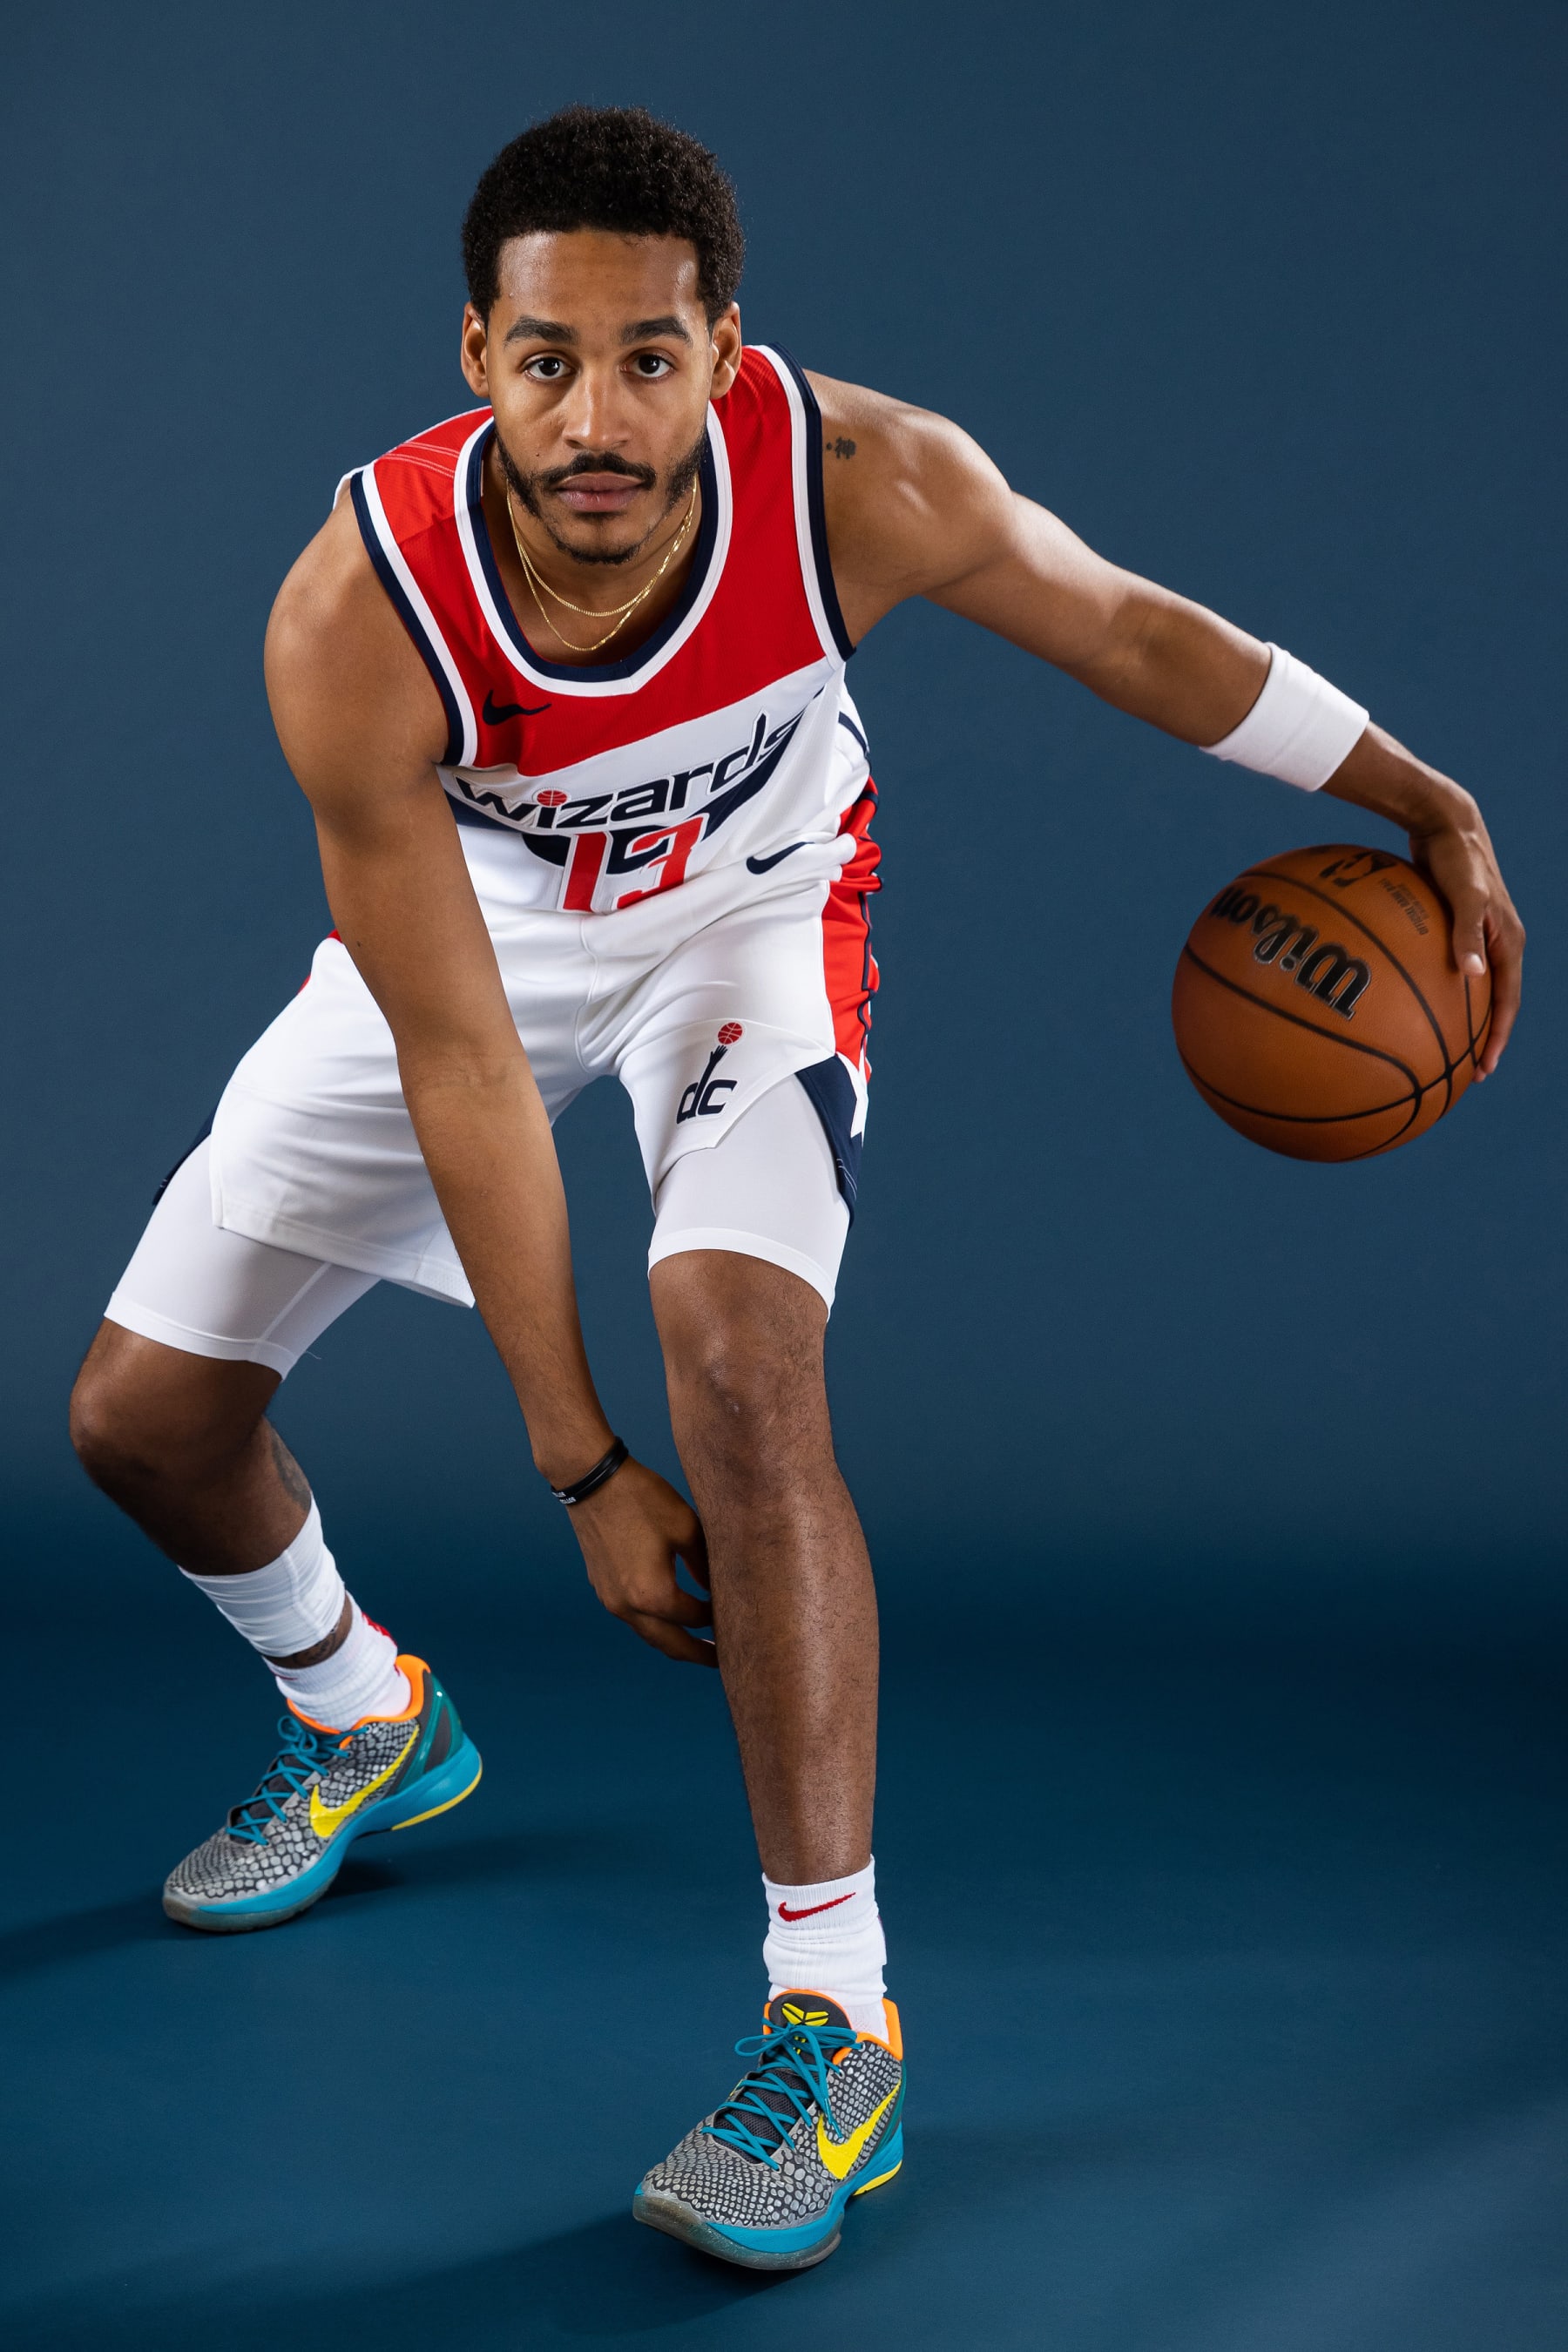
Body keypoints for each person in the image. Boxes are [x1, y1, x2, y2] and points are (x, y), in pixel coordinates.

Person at [68, 105, 1523, 2274]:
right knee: (139, 1427)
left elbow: (1122, 628)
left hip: (751, 923)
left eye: (650, 356)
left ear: (725, 348)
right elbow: (464, 1058)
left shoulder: (861, 480)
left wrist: (1425, 790)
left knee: (746, 1370)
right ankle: (365, 1709)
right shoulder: (357, 614)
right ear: (477, 351)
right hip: (467, 949)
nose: (599, 413)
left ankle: (834, 2025)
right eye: (549, 358)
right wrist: (576, 1470)